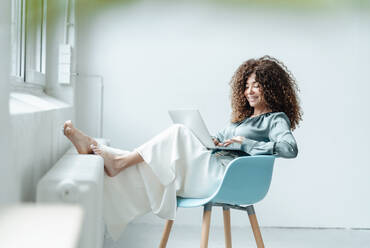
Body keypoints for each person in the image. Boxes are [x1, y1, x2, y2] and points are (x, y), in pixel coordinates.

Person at [63, 55, 302, 241]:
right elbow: (221, 139)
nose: (249, 91)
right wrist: (211, 140)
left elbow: (289, 149)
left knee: (177, 134)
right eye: (247, 86)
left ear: (270, 88)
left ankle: (117, 160)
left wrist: (246, 143)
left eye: (256, 86)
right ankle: (112, 158)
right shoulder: (240, 120)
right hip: (212, 167)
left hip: (225, 178)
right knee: (163, 160)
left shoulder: (275, 119)